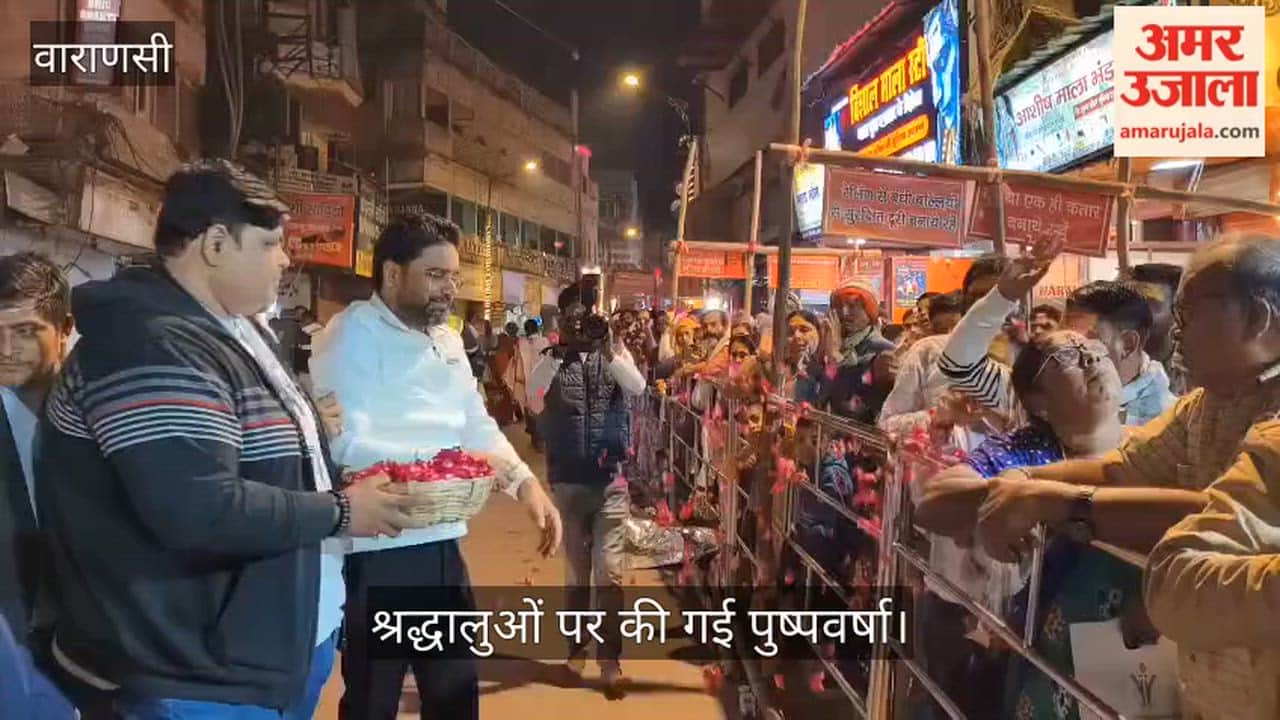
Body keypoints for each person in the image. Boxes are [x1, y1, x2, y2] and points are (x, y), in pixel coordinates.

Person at [38, 159, 416, 720]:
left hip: (261, 654)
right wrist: (339, 511)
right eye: (269, 244)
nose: (285, 259)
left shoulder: (230, 331)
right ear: (215, 244)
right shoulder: (154, 343)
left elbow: (256, 460)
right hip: (196, 675)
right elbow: (195, 508)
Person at [310, 213, 562, 720]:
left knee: (454, 694)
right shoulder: (349, 337)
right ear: (392, 274)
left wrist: (523, 482)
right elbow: (343, 443)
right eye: (435, 275)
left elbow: (476, 424)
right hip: (378, 550)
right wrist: (439, 468)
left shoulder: (446, 340)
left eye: (453, 277)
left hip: (443, 544)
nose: (449, 289)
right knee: (372, 701)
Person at [918, 331, 1131, 720]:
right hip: (1042, 658)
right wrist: (1012, 499)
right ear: (1038, 402)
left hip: (1133, 650)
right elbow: (935, 504)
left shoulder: (1159, 437)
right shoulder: (1023, 449)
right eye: (1067, 357)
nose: (1090, 359)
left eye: (1095, 349)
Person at [528, 283, 646, 697]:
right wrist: (559, 354)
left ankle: (610, 661)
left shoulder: (613, 353)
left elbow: (636, 387)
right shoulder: (549, 359)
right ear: (561, 321)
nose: (582, 324)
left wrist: (608, 350)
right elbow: (533, 397)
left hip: (610, 480)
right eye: (573, 318)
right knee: (578, 576)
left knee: (610, 574)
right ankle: (576, 650)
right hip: (568, 483)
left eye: (587, 316)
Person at [941, 249, 1175, 428]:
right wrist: (1003, 296)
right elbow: (958, 365)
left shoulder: (1169, 421)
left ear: (1127, 344)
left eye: (1086, 342)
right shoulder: (1033, 392)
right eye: (1065, 337)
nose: (1067, 351)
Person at [0, 253, 75, 719]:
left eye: (26, 330)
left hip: (93, 644)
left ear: (64, 328)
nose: (6, 347)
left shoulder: (98, 413)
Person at [1062, 281, 1175, 425]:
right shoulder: (1056, 403)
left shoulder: (1167, 425)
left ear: (1128, 344)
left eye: (1084, 344)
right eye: (1065, 341)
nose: (1067, 355)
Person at [823, 282, 897, 422]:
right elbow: (822, 397)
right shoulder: (831, 343)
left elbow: (850, 405)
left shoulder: (883, 350)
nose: (844, 313)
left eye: (853, 306)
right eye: (839, 307)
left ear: (869, 311)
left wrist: (836, 359)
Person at [518, 318, 550, 449]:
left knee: (529, 408)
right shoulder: (545, 342)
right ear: (537, 329)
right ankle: (540, 438)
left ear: (526, 330)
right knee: (541, 408)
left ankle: (535, 437)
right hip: (542, 384)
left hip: (526, 382)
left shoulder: (521, 343)